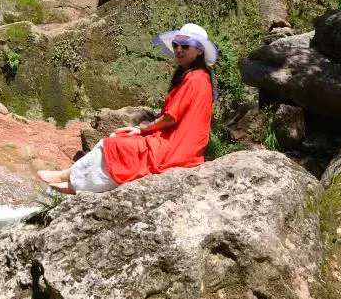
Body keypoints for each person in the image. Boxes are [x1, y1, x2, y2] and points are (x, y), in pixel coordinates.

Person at [38, 23, 218, 194]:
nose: (179, 49)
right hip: (178, 141)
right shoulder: (197, 76)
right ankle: (72, 177)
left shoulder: (195, 79)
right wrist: (142, 130)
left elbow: (171, 117)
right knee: (119, 136)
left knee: (113, 144)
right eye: (176, 44)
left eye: (185, 46)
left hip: (177, 147)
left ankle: (72, 181)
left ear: (199, 50)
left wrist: (144, 129)